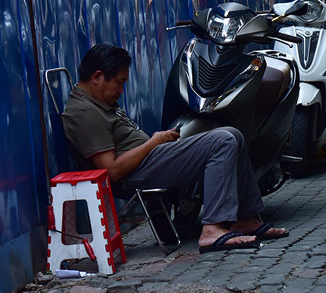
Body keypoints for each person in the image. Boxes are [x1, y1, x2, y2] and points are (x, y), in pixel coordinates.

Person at [62, 44, 288, 254]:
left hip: (148, 160)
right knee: (223, 141)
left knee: (233, 135)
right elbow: (111, 172)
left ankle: (245, 217)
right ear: (98, 77)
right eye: (119, 82)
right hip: (138, 170)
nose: (122, 90)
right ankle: (212, 229)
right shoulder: (85, 112)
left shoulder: (98, 102)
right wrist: (154, 142)